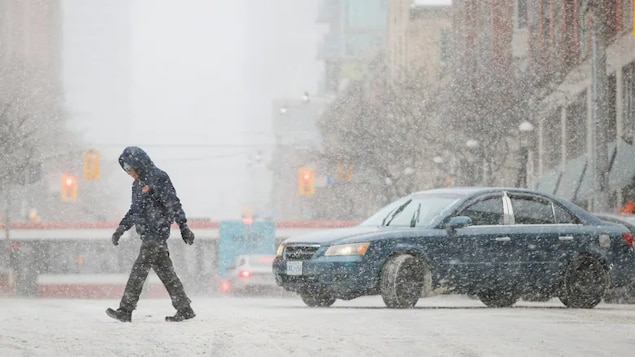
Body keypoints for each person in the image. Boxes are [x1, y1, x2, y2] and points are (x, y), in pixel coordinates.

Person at [106, 146, 196, 322]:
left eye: (129, 168)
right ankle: (184, 308)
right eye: (125, 169)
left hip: (157, 232)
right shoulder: (137, 185)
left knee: (139, 269)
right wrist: (121, 229)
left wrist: (183, 226)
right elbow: (134, 211)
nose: (128, 172)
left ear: (138, 164)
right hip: (147, 234)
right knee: (166, 273)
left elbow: (173, 203)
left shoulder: (159, 178)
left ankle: (125, 309)